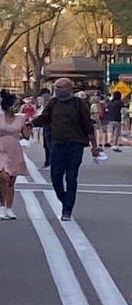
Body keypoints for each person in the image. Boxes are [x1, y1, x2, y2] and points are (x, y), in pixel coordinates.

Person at [39, 78, 95, 220]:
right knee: (55, 177)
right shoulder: (53, 102)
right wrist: (29, 123)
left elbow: (88, 124)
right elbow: (44, 118)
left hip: (75, 144)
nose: (57, 90)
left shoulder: (79, 104)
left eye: (60, 88)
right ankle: (65, 200)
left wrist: (95, 146)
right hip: (57, 144)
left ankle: (67, 210)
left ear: (69, 88)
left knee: (71, 177)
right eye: (56, 88)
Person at [0, 92, 28, 219]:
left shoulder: (21, 118)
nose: (17, 107)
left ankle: (9, 208)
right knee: (3, 176)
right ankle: (2, 206)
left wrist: (29, 125)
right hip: (0, 148)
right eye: (15, 104)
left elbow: (26, 135)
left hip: (14, 149)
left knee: (11, 179)